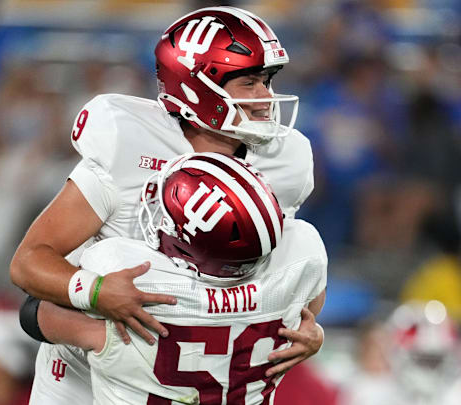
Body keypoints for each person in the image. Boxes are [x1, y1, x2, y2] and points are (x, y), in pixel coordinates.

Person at [11, 6, 321, 402]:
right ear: (198, 87)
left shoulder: (285, 161)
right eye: (250, 83)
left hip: (200, 360)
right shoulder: (129, 148)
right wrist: (96, 290)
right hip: (89, 371)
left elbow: (287, 281)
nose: (266, 98)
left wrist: (310, 330)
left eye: (267, 81)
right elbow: (30, 261)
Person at [29, 153, 327, 404]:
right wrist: (316, 337)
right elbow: (307, 315)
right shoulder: (300, 258)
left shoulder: (137, 282)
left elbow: (34, 315)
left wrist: (95, 293)